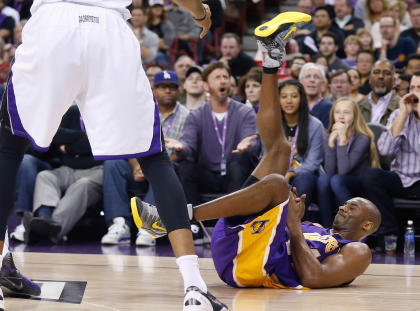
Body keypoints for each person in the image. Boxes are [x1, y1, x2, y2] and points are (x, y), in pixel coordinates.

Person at [0, 0, 227, 309]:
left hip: (52, 24)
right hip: (109, 31)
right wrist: (200, 12)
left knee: (9, 148)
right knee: (155, 157)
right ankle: (194, 286)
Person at [131, 12, 382, 290]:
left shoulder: (358, 251)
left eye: (353, 207)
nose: (344, 206)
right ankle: (272, 59)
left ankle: (175, 217)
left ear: (367, 226)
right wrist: (291, 221)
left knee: (277, 184)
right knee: (280, 150)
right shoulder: (322, 231)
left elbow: (314, 277)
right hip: (246, 242)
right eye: (348, 203)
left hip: (249, 265)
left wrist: (294, 224)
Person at [101, 70, 190, 247]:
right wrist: (136, 166)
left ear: (179, 90)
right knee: (112, 164)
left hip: (167, 168)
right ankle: (119, 224)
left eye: (172, 87)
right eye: (163, 87)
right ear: (154, 89)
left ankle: (149, 226)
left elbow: (186, 148)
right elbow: (126, 141)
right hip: (137, 167)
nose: (168, 91)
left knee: (169, 168)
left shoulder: (187, 115)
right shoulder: (141, 111)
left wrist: (154, 167)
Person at [165, 61, 260, 207]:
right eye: (217, 77)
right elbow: (188, 144)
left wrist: (248, 145)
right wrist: (181, 147)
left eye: (225, 77)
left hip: (234, 173)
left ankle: (231, 222)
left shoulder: (244, 112)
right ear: (206, 86)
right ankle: (193, 222)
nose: (222, 80)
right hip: (207, 174)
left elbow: (252, 141)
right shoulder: (196, 115)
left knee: (239, 166)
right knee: (186, 167)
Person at [363, 71, 420, 250]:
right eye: (412, 87)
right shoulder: (398, 114)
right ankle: (389, 233)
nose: (414, 93)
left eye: (419, 88)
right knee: (371, 176)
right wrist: (403, 114)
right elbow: (385, 151)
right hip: (402, 178)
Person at [317, 97, 381, 227]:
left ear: (355, 116)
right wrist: (330, 143)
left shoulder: (362, 138)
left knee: (336, 180)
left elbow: (344, 170)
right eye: (337, 112)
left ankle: (356, 224)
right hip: (338, 181)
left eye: (346, 112)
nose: (341, 116)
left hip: (358, 182)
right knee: (324, 179)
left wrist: (342, 141)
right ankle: (327, 227)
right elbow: (329, 170)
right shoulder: (328, 136)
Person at [279, 79, 324, 211]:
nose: (288, 101)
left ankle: (296, 224)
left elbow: (313, 163)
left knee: (304, 179)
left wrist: (291, 173)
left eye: (294, 96)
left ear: (302, 99)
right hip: (277, 174)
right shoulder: (273, 124)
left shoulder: (315, 125)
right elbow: (265, 155)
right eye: (284, 97)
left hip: (304, 174)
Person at [357, 59, 400, 125]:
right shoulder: (358, 106)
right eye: (376, 72)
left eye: (386, 73)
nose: (381, 76)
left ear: (393, 81)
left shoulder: (402, 106)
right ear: (370, 79)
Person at [299, 62, 333, 128]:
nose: (312, 80)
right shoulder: (294, 105)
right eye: (308, 76)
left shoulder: (330, 108)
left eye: (317, 77)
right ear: (300, 82)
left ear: (323, 83)